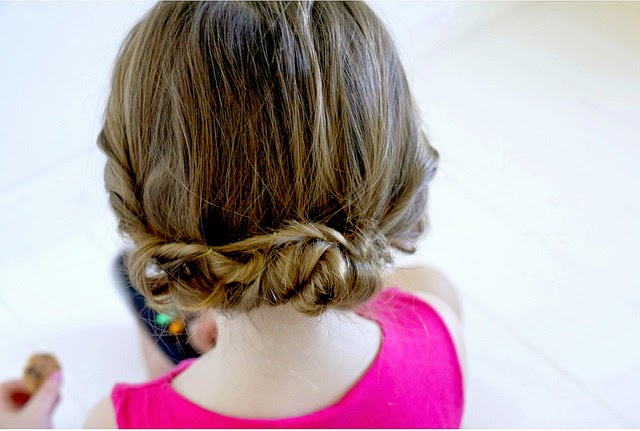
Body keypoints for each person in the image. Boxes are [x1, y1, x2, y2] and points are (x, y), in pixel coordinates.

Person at [1, 1, 466, 428]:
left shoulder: (118, 421)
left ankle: (183, 366)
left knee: (135, 287)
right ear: (394, 170)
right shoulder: (437, 325)